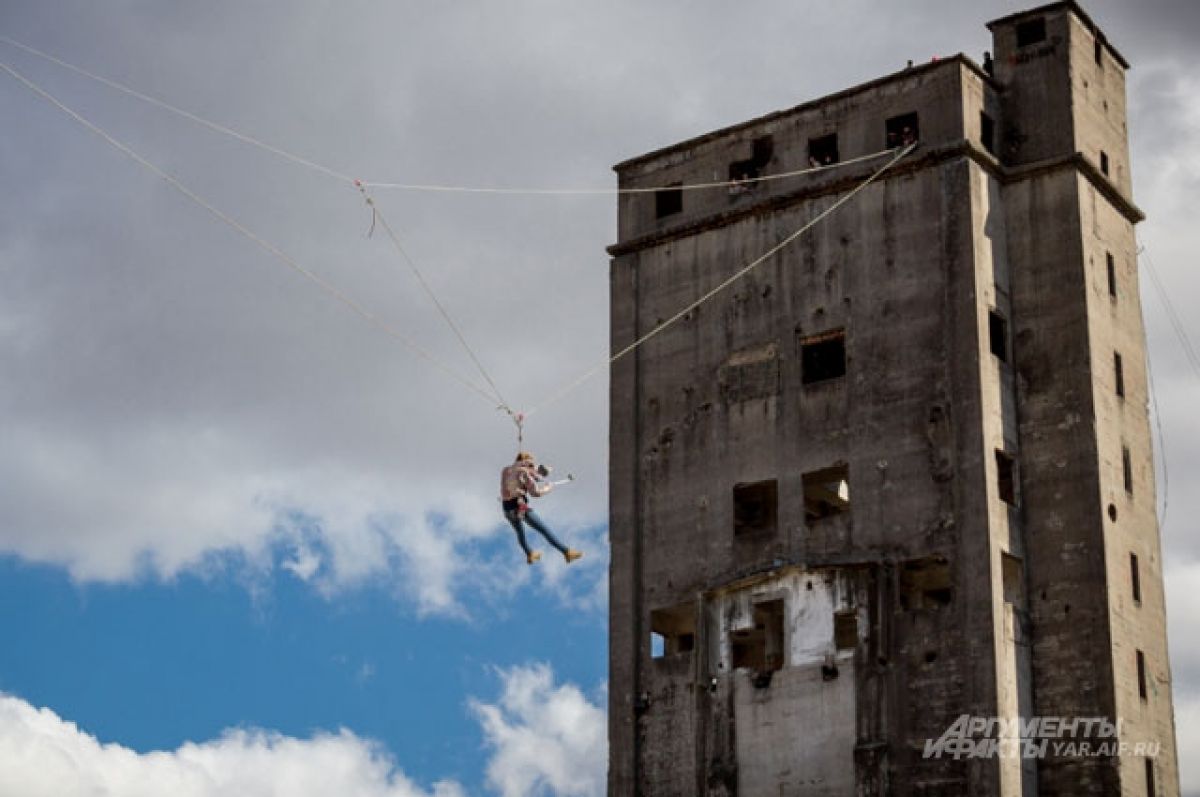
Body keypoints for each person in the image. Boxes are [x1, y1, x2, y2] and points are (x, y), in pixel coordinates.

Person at [501, 451, 582, 565]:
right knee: (544, 530)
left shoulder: (506, 470)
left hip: (506, 509)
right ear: (526, 462)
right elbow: (535, 493)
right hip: (519, 507)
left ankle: (529, 554)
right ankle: (567, 552)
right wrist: (547, 488)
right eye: (531, 464)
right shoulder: (525, 473)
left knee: (520, 533)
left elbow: (519, 478)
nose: (533, 466)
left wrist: (535, 476)